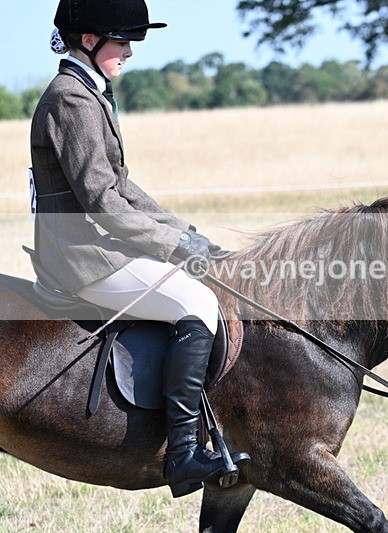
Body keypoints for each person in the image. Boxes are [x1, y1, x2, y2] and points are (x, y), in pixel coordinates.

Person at [30, 0, 248, 498]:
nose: (129, 52)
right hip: (83, 260)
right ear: (89, 40)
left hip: (99, 247)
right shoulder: (71, 99)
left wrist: (187, 233)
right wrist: (174, 247)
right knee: (198, 304)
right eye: (123, 41)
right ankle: (183, 452)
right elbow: (101, 201)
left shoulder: (89, 92)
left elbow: (123, 186)